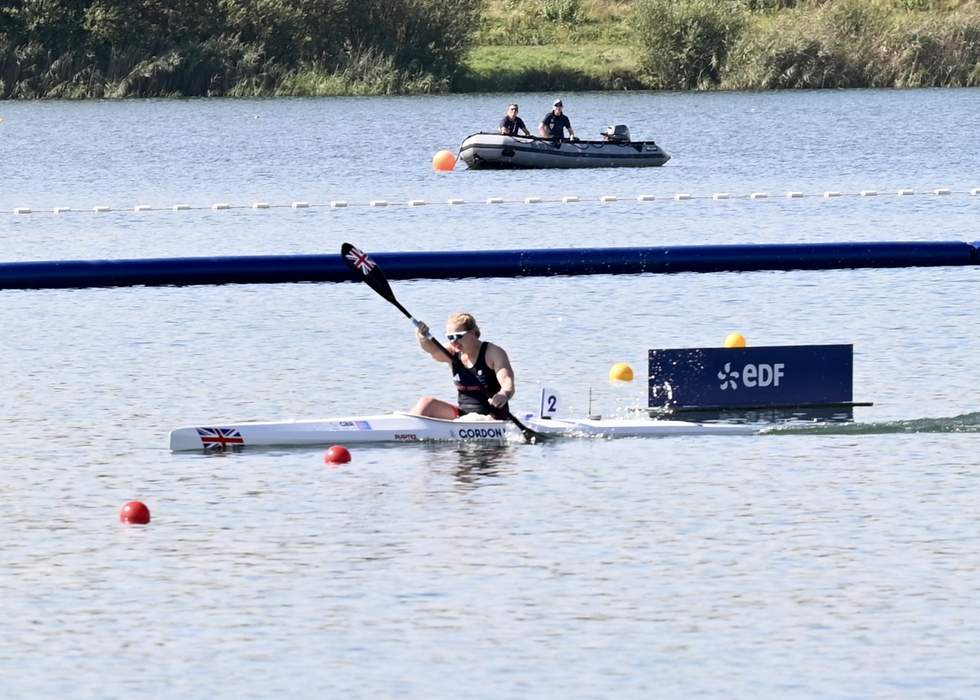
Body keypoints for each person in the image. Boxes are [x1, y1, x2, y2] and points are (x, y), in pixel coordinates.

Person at [411, 313, 516, 420]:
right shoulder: (452, 352)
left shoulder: (493, 353)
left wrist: (503, 393)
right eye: (450, 337)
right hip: (464, 415)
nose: (453, 342)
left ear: (473, 333)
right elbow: (433, 350)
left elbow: (507, 381)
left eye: (458, 336)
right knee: (427, 403)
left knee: (480, 419)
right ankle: (404, 429)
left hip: (492, 416)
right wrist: (422, 337)